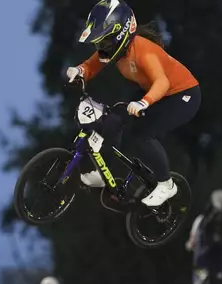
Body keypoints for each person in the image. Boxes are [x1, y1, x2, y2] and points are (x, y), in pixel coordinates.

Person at [66, 0, 201, 207]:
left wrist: (144, 103)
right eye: (98, 44)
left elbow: (162, 82)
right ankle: (103, 174)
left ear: (120, 36)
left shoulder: (144, 52)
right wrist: (80, 71)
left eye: (105, 43)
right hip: (152, 91)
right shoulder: (115, 51)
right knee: (111, 120)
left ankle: (167, 184)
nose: (101, 49)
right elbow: (92, 64)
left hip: (183, 95)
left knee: (143, 135)